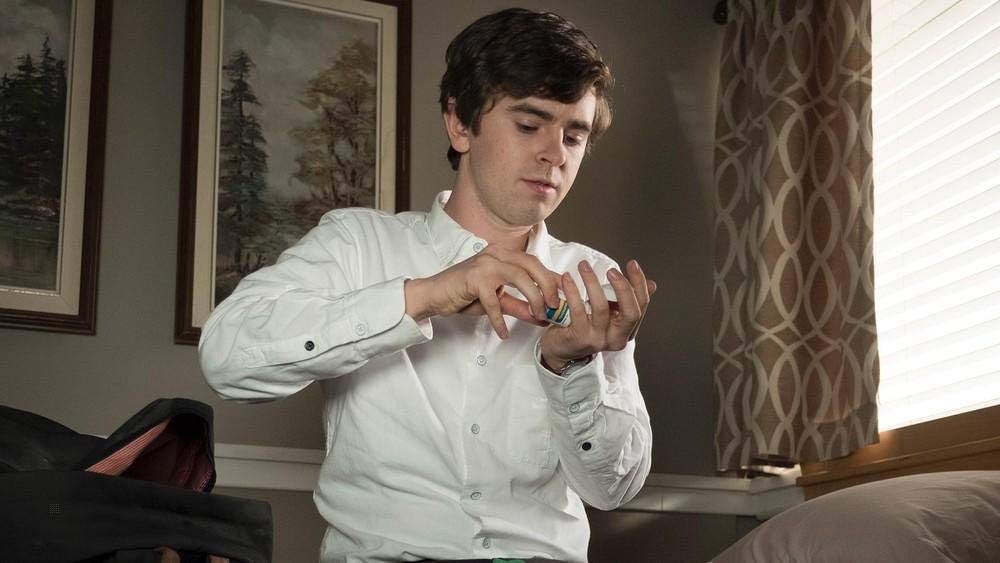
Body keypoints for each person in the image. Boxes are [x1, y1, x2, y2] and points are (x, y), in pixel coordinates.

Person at [199, 8, 655, 563]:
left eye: (574, 135)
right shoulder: (356, 244)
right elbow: (226, 358)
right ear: (460, 124)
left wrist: (570, 367)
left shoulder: (592, 280)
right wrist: (426, 296)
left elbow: (612, 489)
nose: (555, 154)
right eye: (529, 125)